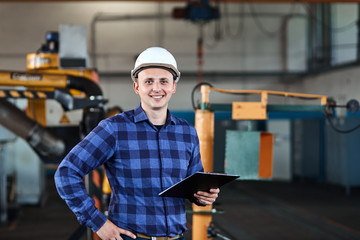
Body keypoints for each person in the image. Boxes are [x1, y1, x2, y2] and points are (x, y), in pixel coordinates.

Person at [54, 47, 220, 240]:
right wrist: (98, 223)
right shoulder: (114, 129)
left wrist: (202, 195)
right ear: (137, 87)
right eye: (148, 81)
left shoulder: (187, 132)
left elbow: (193, 184)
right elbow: (66, 172)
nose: (156, 88)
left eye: (164, 81)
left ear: (173, 86)